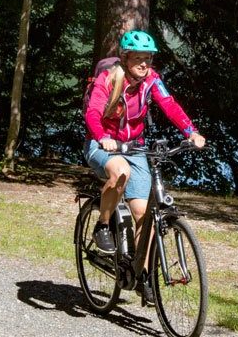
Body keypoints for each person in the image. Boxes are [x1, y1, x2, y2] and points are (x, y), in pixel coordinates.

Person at [84, 29, 205, 302]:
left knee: (144, 214)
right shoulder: (108, 78)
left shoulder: (152, 80)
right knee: (120, 172)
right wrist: (103, 137)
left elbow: (169, 104)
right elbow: (93, 111)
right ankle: (103, 224)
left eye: (148, 59)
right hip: (102, 144)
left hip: (135, 147)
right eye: (138, 58)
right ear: (125, 59)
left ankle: (144, 275)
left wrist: (191, 132)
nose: (144, 64)